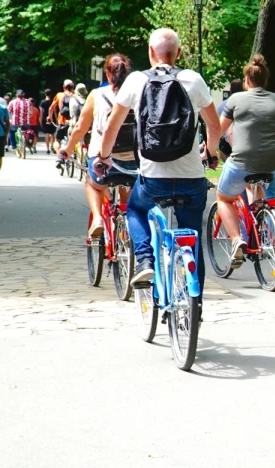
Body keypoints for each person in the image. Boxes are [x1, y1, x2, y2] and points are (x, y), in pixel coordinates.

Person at [93, 28, 222, 288]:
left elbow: (112, 127)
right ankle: (194, 306)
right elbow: (215, 126)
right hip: (191, 178)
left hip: (153, 179)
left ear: (150, 52)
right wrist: (211, 152)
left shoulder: (136, 81)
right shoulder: (194, 79)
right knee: (193, 236)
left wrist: (104, 157)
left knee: (136, 209)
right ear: (179, 53)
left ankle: (144, 261)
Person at [215, 55, 275, 267]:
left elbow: (218, 130)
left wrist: (207, 149)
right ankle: (262, 224)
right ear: (265, 80)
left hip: (242, 161)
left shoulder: (236, 100)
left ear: (247, 80)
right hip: (273, 161)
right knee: (257, 185)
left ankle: (237, 240)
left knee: (223, 197)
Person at [60, 54, 138, 237]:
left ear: (107, 73)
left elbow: (80, 128)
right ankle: (125, 230)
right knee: (125, 188)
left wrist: (67, 150)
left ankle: (97, 219)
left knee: (92, 184)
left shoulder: (97, 95)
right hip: (133, 161)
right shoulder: (137, 94)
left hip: (104, 160)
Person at [216, 79, 244, 162]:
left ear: (230, 90)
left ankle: (229, 165)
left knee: (222, 149)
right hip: (243, 139)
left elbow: (219, 126)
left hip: (227, 143)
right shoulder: (248, 104)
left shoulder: (222, 105)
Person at [48, 80, 75, 154]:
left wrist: (49, 118)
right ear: (73, 87)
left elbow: (51, 108)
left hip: (62, 122)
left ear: (63, 87)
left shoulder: (59, 95)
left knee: (57, 141)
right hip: (74, 123)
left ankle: (60, 156)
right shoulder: (76, 95)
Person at [40, 88, 56, 153]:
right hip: (52, 118)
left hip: (45, 118)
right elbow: (54, 111)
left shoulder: (42, 102)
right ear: (51, 94)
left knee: (46, 133)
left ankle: (47, 148)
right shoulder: (53, 101)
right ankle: (52, 145)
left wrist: (40, 120)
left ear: (45, 94)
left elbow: (41, 111)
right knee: (52, 133)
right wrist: (56, 119)